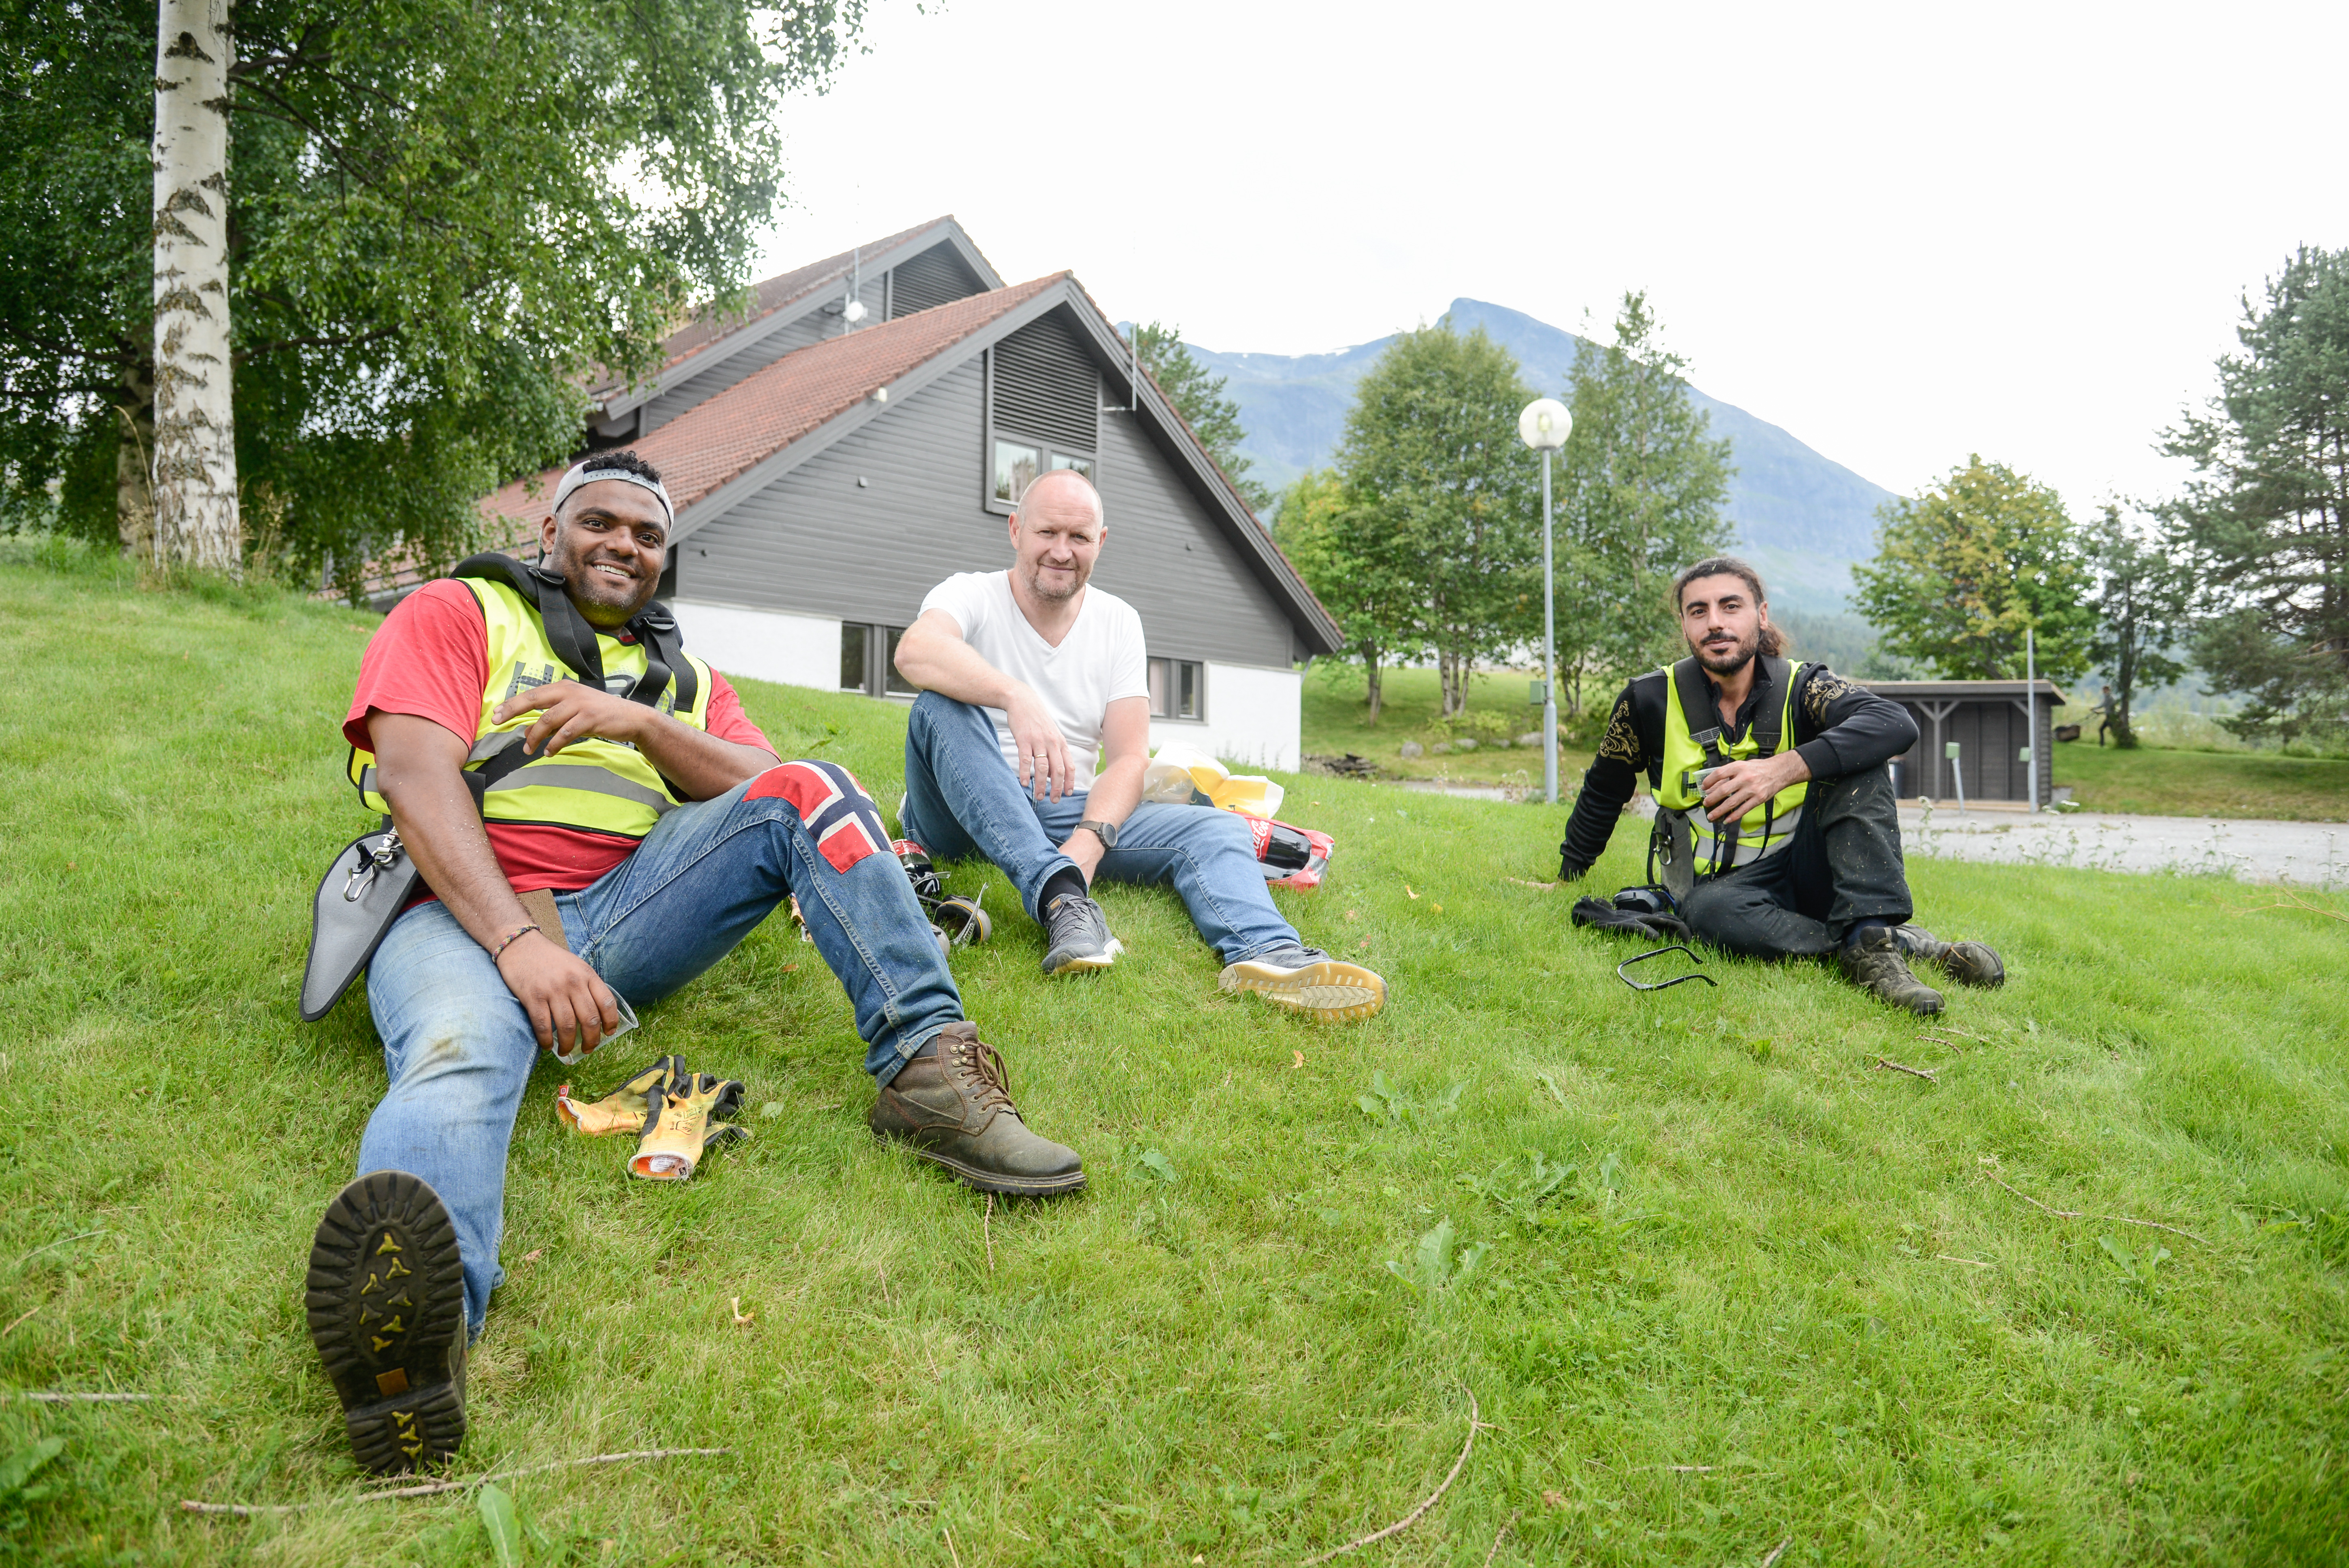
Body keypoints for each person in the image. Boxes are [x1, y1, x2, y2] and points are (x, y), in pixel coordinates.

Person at [308, 450, 1083, 1477]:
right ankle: (421, 1343)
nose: (624, 544)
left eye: (648, 534)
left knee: (817, 782)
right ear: (552, 531)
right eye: (600, 522)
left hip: (629, 909)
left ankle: (931, 1072)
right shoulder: (461, 612)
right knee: (460, 1054)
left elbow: (783, 789)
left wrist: (639, 721)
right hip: (463, 916)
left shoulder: (686, 678)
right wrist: (518, 943)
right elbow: (412, 774)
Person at [890, 468, 1384, 1022]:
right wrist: (1014, 695)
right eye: (1046, 533)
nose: (1061, 550)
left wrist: (1091, 839)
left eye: (1078, 538)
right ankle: (1062, 898)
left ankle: (1269, 956)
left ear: (1100, 543)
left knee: (1218, 828)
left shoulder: (1117, 622)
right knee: (938, 706)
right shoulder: (970, 593)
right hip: (956, 810)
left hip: (1061, 808)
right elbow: (914, 652)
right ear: (1014, 530)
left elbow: (1129, 757)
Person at [1555, 555, 2005, 1014]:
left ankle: (1871, 943)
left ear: (1761, 615)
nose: (1715, 622)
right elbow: (1604, 786)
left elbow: (1893, 723)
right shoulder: (1648, 699)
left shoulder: (1805, 686)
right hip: (1721, 892)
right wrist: (1568, 873)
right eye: (1698, 611)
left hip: (1812, 869)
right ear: (1685, 625)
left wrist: (1782, 768)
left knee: (1862, 760)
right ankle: (1884, 944)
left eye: (1730, 606)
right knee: (1709, 918)